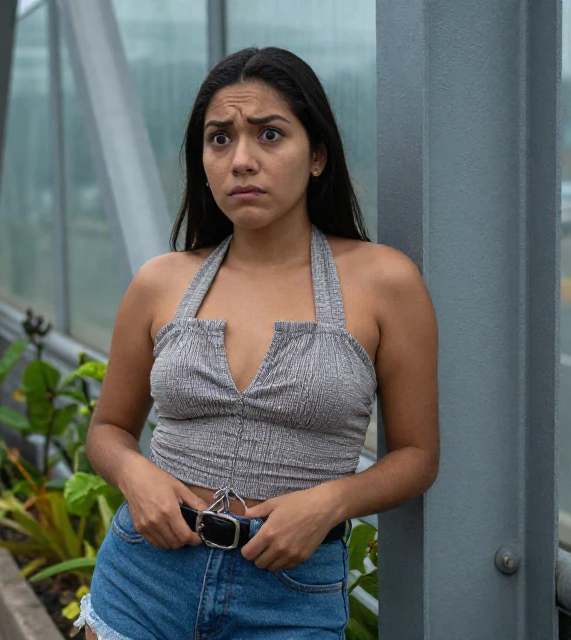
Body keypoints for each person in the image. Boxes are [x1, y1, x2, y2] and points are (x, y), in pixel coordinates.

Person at [79, 46, 440, 640]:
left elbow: (418, 457)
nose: (241, 160)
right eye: (219, 139)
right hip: (143, 579)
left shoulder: (384, 282)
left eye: (270, 135)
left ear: (317, 155)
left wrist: (331, 502)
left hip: (289, 595)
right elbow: (107, 431)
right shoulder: (161, 282)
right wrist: (133, 474)